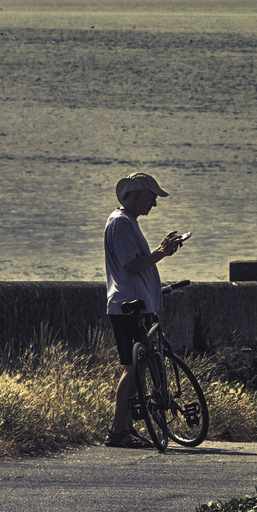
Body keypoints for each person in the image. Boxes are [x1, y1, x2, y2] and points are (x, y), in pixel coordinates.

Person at [103, 171, 186, 448]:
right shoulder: (121, 223)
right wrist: (162, 252)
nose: (154, 204)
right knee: (131, 367)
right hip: (127, 306)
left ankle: (125, 431)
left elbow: (137, 263)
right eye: (151, 198)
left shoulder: (128, 222)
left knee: (136, 368)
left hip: (136, 304)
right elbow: (131, 265)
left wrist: (162, 252)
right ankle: (117, 431)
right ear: (135, 196)